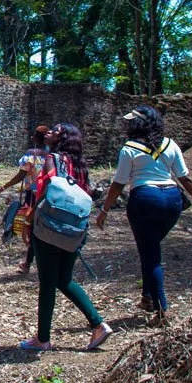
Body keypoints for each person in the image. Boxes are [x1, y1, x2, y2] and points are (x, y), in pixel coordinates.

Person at [96, 106, 192, 321]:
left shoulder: (129, 149)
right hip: (172, 200)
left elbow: (118, 184)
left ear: (138, 124)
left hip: (145, 199)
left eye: (131, 122)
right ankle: (147, 296)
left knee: (151, 256)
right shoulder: (171, 144)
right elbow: (184, 178)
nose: (127, 125)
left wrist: (104, 210)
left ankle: (161, 310)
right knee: (150, 249)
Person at [20, 123, 112, 351]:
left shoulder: (53, 158)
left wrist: (29, 220)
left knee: (48, 283)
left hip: (51, 224)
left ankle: (42, 339)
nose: (50, 131)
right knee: (63, 279)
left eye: (56, 129)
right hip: (75, 228)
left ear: (64, 138)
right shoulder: (81, 166)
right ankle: (98, 324)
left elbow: (45, 191)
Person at [0, 125, 50, 274]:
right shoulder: (52, 155)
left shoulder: (31, 155)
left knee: (31, 226)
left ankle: (29, 260)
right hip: (49, 194)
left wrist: (4, 187)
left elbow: (20, 175)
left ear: (36, 138)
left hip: (33, 195)